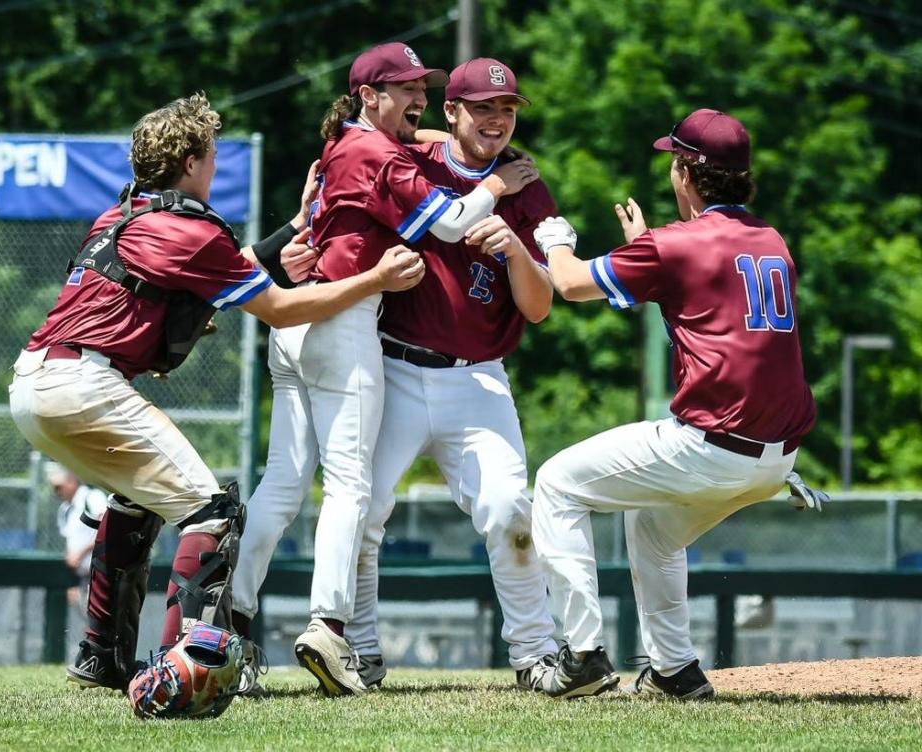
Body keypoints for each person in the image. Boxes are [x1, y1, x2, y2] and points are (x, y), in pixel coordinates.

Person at [9, 92, 425, 696]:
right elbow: (278, 308)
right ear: (190, 162)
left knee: (137, 498)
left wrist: (297, 220)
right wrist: (376, 279)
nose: (216, 165)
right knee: (213, 511)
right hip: (83, 383)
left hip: (36, 382)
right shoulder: (189, 229)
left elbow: (207, 281)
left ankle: (102, 654)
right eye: (212, 155)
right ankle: (189, 667)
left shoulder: (122, 216)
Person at [230, 43, 538, 697]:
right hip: (344, 323)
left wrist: (448, 131)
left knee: (282, 487)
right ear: (369, 95)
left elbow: (410, 139)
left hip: (295, 325)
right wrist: (493, 185)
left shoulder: (343, 141)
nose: (418, 99)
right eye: (404, 90)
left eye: (423, 89)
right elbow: (453, 225)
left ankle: (229, 627)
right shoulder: (378, 153)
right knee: (350, 489)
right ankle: (329, 628)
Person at [529, 109, 818, 699]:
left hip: (711, 446)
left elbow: (571, 284)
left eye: (674, 161)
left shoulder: (675, 245)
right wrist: (650, 252)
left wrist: (554, 239)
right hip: (777, 459)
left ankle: (582, 656)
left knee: (556, 484)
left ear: (686, 172)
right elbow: (706, 312)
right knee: (655, 530)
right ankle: (675, 671)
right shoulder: (771, 239)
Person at [344, 57, 559, 692]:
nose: (497, 119)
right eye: (483, 107)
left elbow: (540, 307)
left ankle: (535, 654)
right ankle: (359, 649)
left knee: (508, 511)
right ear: (451, 111)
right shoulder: (417, 163)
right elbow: (367, 143)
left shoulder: (528, 185)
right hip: (393, 367)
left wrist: (516, 247)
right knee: (364, 509)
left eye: (508, 108)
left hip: (478, 379)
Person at [48, 463, 108, 611]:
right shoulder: (65, 509)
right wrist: (72, 582)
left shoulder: (92, 497)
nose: (57, 492)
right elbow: (70, 548)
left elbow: (106, 531)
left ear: (72, 481)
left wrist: (82, 553)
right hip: (82, 580)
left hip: (103, 577)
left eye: (59, 487)